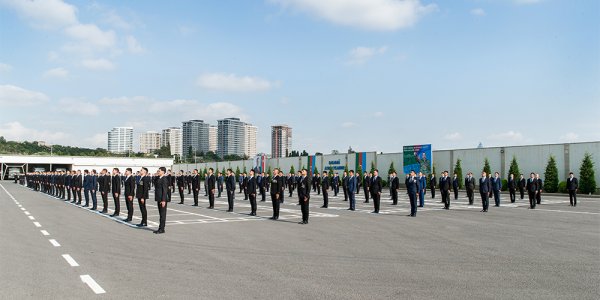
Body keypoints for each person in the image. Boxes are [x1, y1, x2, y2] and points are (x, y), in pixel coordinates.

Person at [154, 167, 169, 234]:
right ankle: (160, 228)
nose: (158, 172)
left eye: (159, 171)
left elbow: (165, 190)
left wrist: (163, 200)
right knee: (160, 214)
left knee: (163, 215)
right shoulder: (158, 178)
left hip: (162, 199)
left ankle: (162, 229)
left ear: (163, 172)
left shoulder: (164, 179)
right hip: (158, 198)